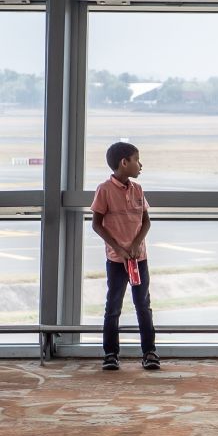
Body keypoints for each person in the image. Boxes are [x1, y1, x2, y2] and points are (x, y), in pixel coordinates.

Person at [91, 141, 160, 371]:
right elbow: (97, 225)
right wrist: (119, 249)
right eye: (136, 160)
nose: (140, 165)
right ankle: (110, 354)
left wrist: (135, 244)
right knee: (114, 306)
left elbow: (146, 221)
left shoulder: (138, 189)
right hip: (116, 260)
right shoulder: (104, 190)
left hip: (139, 259)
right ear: (124, 163)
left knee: (143, 305)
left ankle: (149, 352)